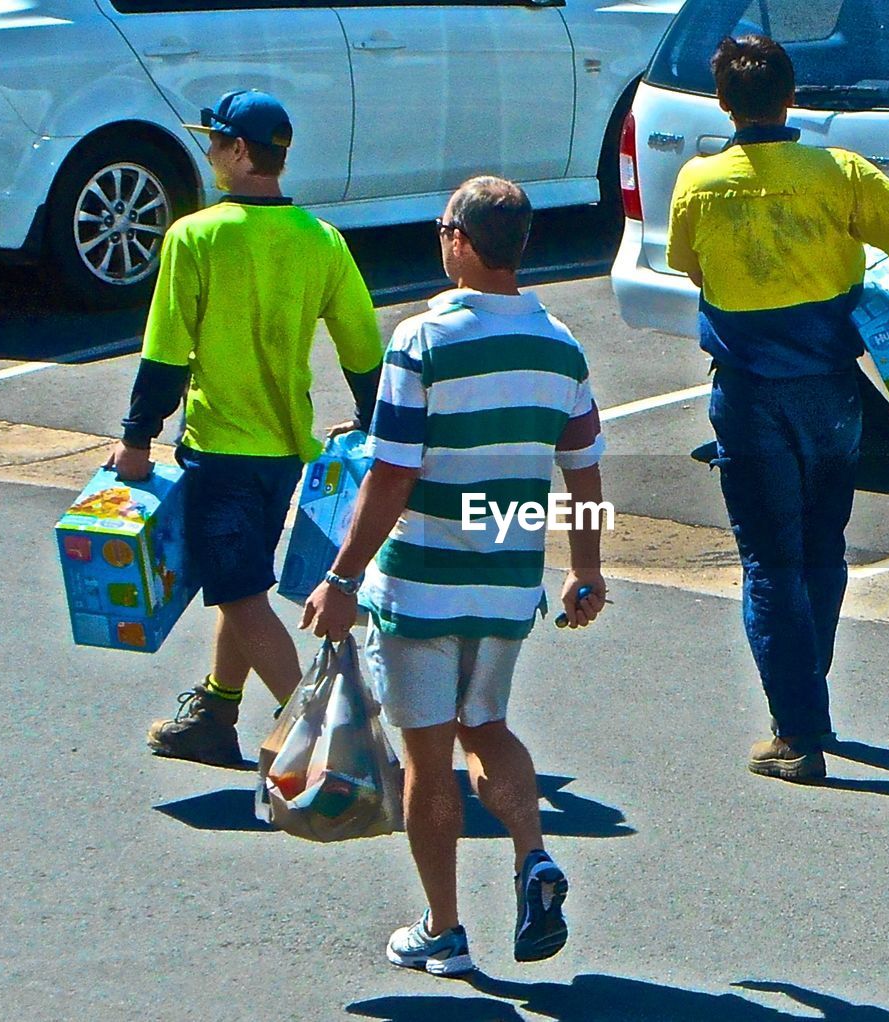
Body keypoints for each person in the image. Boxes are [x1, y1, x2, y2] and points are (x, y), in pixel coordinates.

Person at [302, 176, 608, 975]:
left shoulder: (423, 341)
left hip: (422, 586)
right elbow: (583, 469)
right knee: (489, 728)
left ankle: (444, 929)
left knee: (430, 759)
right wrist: (586, 570)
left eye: (443, 228)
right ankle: (533, 856)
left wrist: (340, 577)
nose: (440, 239)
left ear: (464, 244)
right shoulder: (561, 344)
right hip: (508, 585)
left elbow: (393, 473)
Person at [666, 36, 889, 783]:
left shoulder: (699, 182)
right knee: (822, 549)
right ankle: (811, 698)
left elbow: (691, 267)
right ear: (791, 97)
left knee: (769, 560)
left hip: (747, 395)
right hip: (833, 389)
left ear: (725, 104)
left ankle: (795, 732)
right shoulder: (840, 172)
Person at [108, 89, 384, 766]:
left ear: (238, 152)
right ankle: (215, 712)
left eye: (213, 143)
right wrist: (374, 417)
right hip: (285, 453)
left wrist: (137, 437)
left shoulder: (196, 236)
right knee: (243, 584)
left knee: (238, 592)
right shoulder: (321, 240)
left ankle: (327, 739)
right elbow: (363, 346)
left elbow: (166, 351)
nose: (207, 154)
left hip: (218, 448)